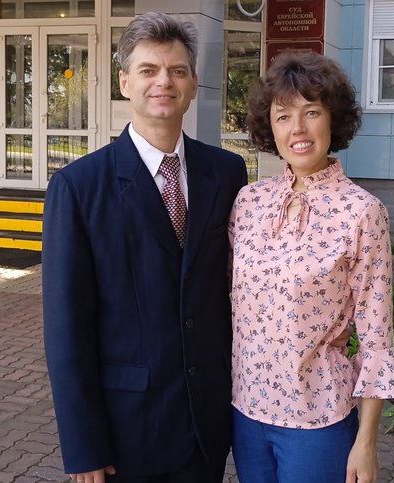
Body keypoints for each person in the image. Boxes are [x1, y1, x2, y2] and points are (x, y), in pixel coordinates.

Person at [42, 11, 248, 483]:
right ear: (124, 82)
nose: (164, 82)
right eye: (148, 70)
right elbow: (65, 329)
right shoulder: (78, 188)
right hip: (125, 430)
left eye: (177, 70)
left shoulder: (227, 173)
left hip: (206, 422)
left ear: (194, 83)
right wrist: (83, 446)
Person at [228, 51, 394, 483]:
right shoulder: (249, 202)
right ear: (268, 126)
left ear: (333, 119)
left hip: (317, 420)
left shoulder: (363, 213)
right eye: (282, 116)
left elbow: (377, 339)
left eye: (311, 112)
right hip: (245, 412)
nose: (297, 129)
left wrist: (366, 443)